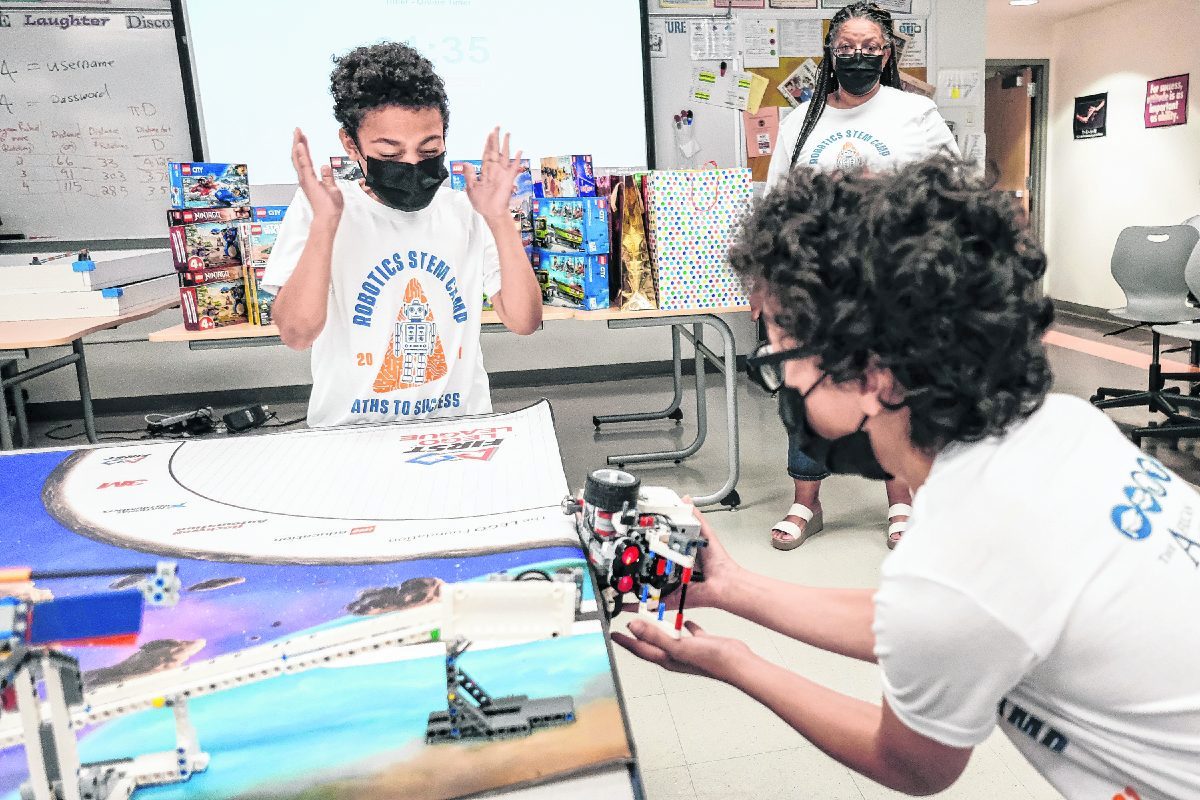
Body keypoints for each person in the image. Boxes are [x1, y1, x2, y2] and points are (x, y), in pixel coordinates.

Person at [614, 157, 1200, 799]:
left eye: (783, 354)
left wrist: (736, 663)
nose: (784, 383)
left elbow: (913, 765)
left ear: (872, 375)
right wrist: (732, 587)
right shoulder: (1064, 428)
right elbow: (944, 622)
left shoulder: (961, 549)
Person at [263, 42, 542, 428]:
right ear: (350, 144)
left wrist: (498, 218)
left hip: (459, 430)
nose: (412, 165)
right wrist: (326, 225)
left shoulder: (467, 210)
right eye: (390, 155)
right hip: (350, 436)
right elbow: (296, 333)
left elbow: (524, 321)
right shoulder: (321, 206)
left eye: (429, 150)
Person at [764, 1, 959, 551]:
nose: (857, 57)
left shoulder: (912, 114)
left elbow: (949, 192)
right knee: (808, 388)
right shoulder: (799, 121)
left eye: (869, 48)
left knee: (891, 389)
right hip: (817, 282)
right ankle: (805, 503)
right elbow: (777, 206)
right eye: (846, 48)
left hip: (892, 279)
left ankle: (900, 506)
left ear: (887, 52)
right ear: (830, 52)